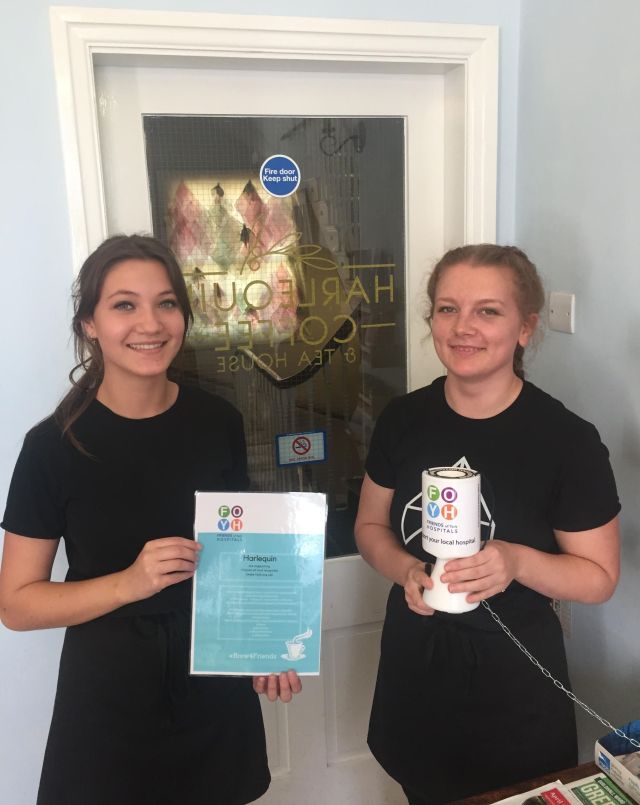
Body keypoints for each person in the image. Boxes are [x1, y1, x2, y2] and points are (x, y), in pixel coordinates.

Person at [0, 235, 300, 805]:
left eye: (166, 303)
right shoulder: (52, 448)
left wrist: (265, 642)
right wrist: (129, 582)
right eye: (124, 305)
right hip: (109, 696)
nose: (151, 323)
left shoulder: (218, 422)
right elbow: (16, 604)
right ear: (90, 324)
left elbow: (240, 553)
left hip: (213, 684)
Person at [355, 244, 620, 805]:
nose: (463, 327)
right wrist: (405, 570)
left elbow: (599, 578)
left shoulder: (566, 441)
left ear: (525, 328)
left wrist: (515, 561)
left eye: (488, 311)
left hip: (515, 697)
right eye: (448, 309)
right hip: (415, 676)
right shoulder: (403, 419)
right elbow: (370, 527)